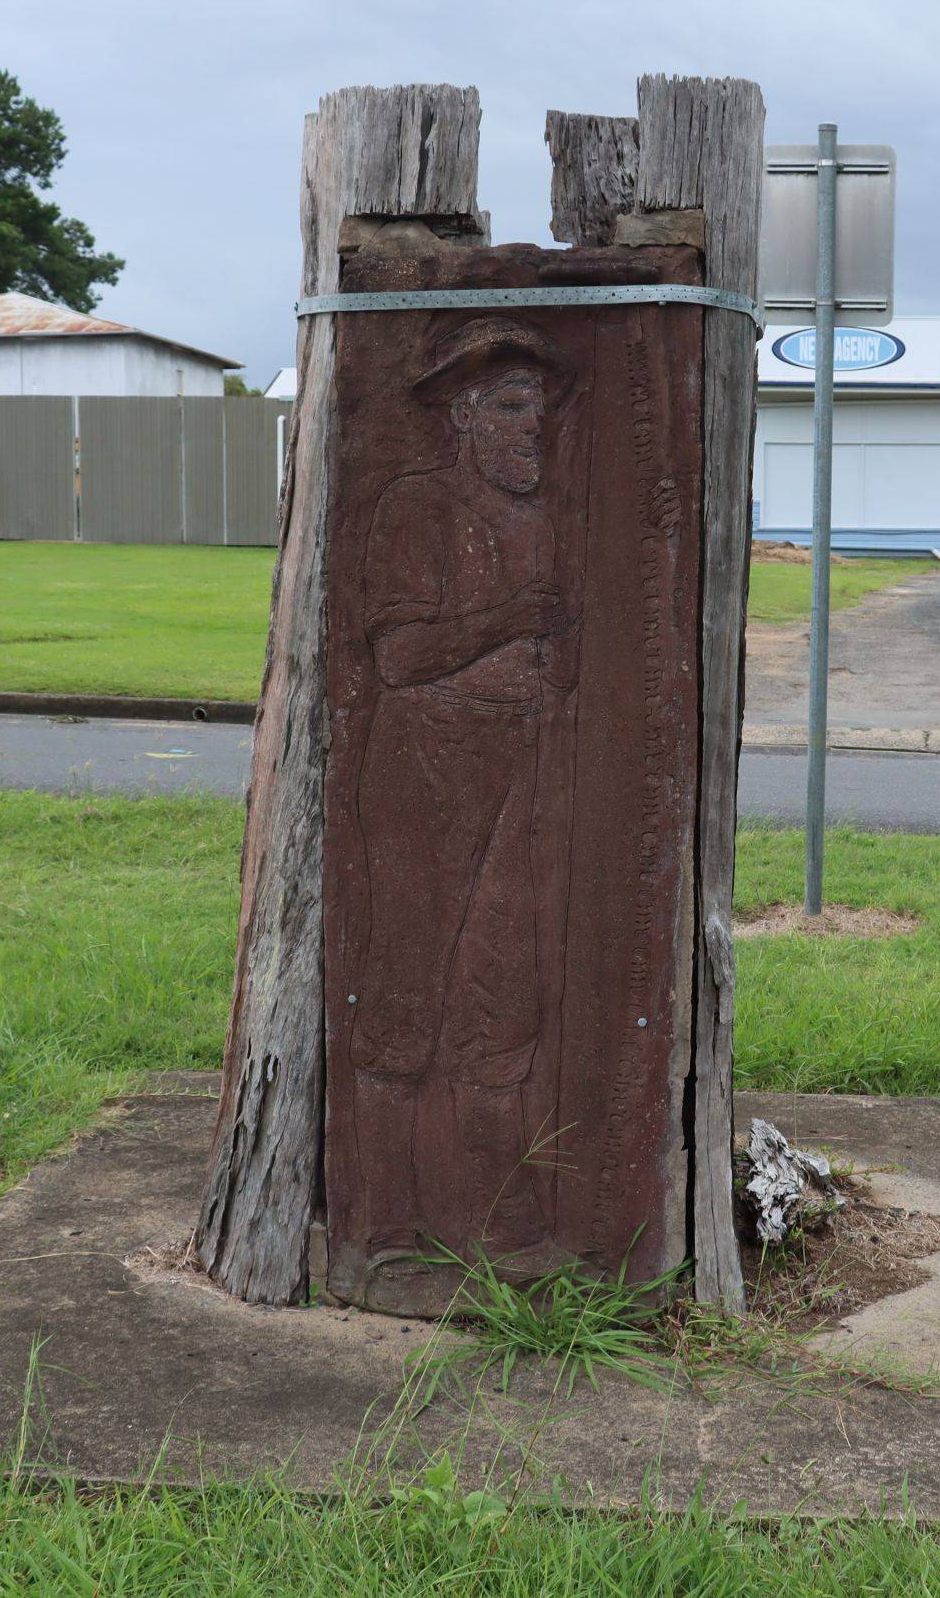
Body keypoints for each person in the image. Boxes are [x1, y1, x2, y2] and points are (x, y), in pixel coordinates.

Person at [340, 316, 581, 1267]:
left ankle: (497, 1212)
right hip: (423, 783)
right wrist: (513, 619)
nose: (535, 428)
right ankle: (385, 1221)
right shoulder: (418, 506)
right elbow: (398, 656)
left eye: (542, 410)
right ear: (465, 421)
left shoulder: (541, 519)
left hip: (515, 776)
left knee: (505, 995)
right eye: (515, 408)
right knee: (404, 991)